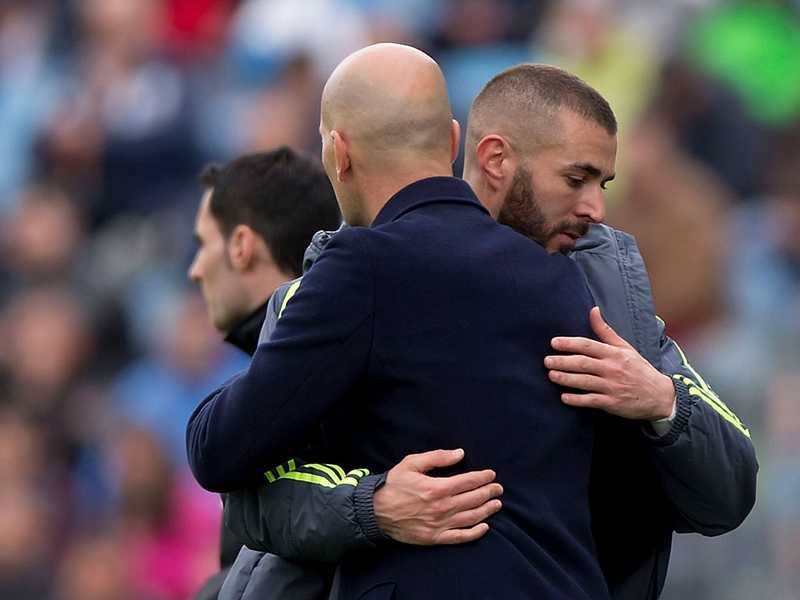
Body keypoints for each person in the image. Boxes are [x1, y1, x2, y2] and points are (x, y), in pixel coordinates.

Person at [218, 64, 757, 600]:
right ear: (494, 159)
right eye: (576, 179)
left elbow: (731, 491)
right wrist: (370, 506)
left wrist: (661, 402)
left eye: (603, 184)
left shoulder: (609, 302)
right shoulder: (342, 286)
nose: (597, 208)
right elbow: (248, 491)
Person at [187, 43, 611, 599]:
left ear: (338, 154)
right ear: (453, 142)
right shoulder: (562, 278)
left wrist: (368, 503)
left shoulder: (362, 267)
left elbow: (220, 450)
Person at [186, 148, 341, 600]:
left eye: (203, 244)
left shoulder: (313, 390)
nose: (195, 270)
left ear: (241, 245)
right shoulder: (316, 366)